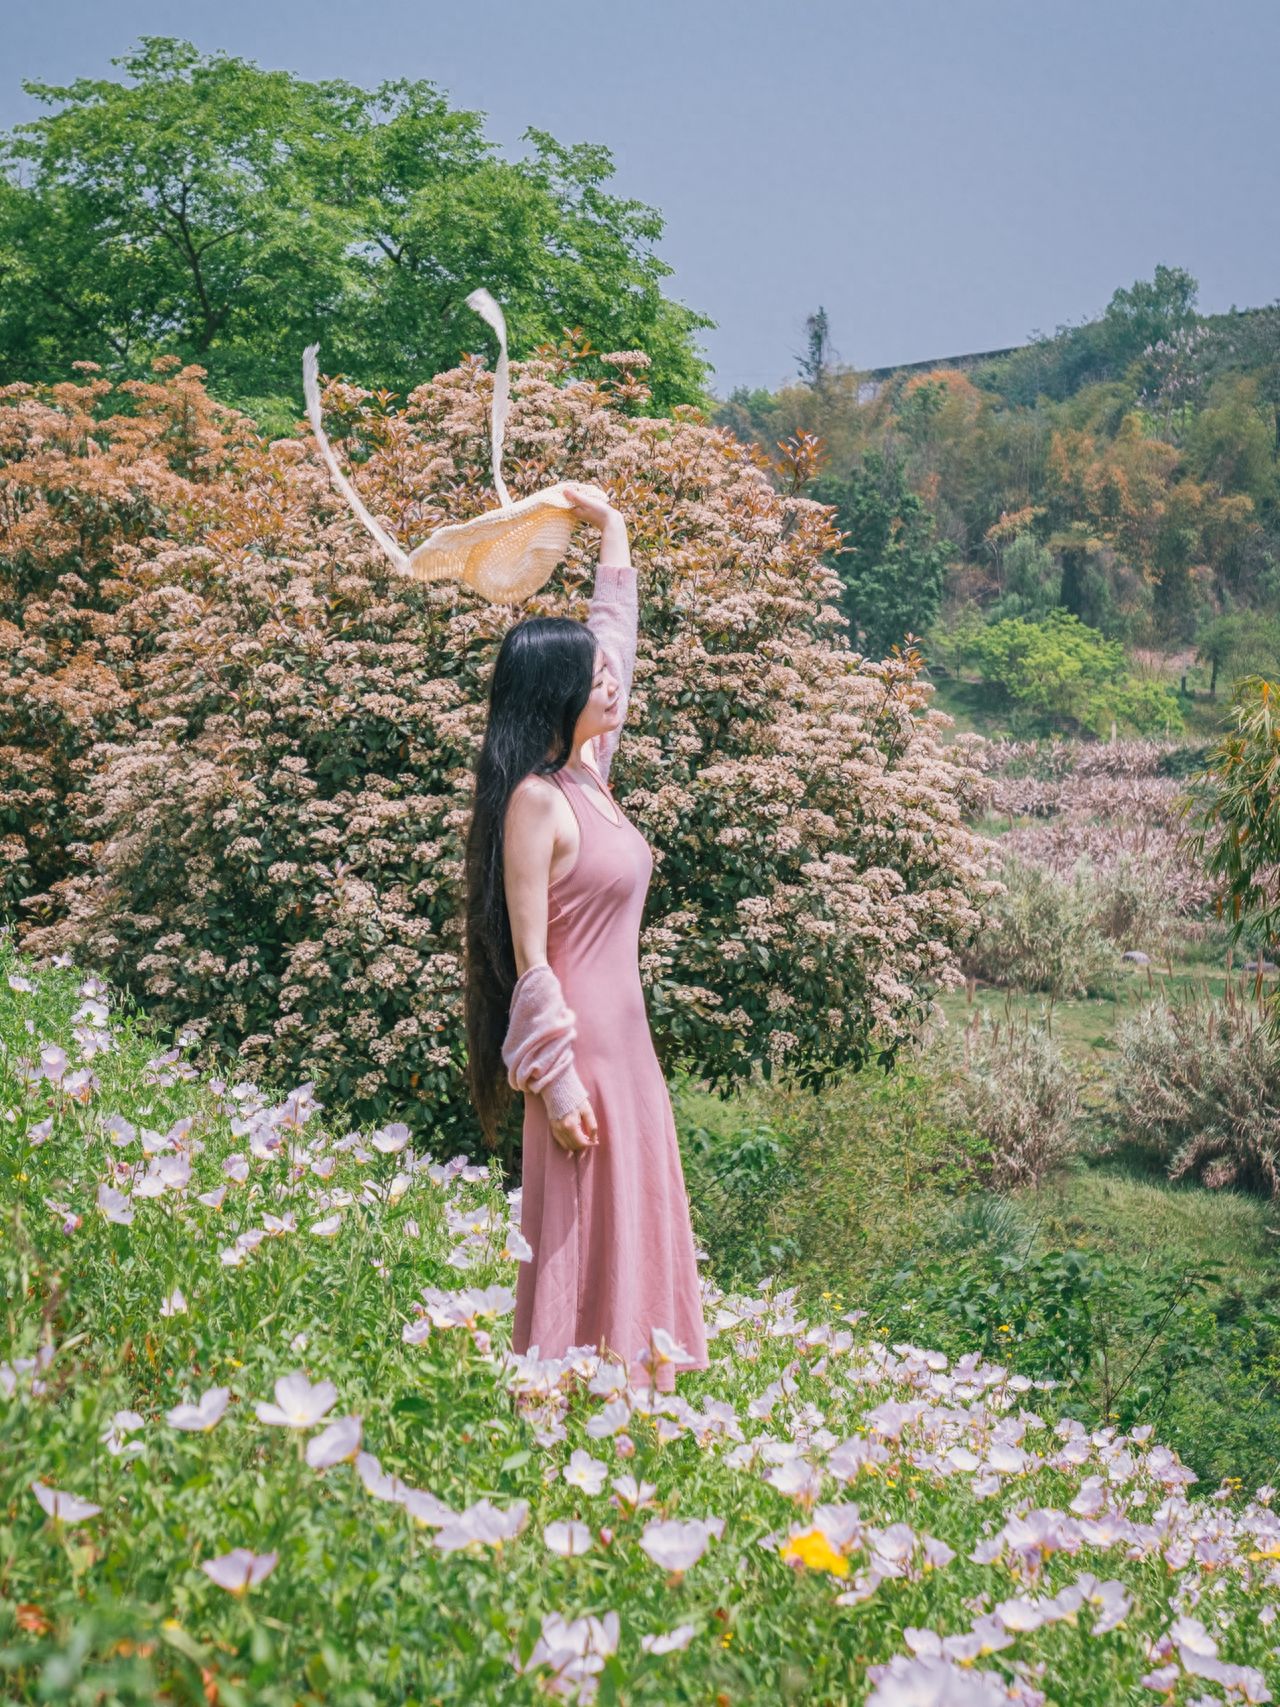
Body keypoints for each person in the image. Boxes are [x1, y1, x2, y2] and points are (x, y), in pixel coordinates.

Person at [463, 482, 709, 1394]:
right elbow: (530, 961)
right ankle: (562, 1406)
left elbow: (618, 642)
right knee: (580, 1233)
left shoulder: (592, 777)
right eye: (592, 678)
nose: (610, 682)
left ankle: (636, 1399)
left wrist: (612, 527)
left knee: (636, 1223)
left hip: (630, 1055)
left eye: (607, 675)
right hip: (580, 1061)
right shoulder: (536, 800)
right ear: (554, 695)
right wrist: (556, 1078)